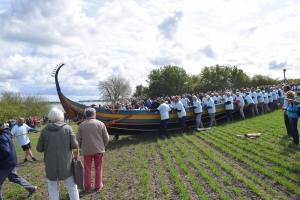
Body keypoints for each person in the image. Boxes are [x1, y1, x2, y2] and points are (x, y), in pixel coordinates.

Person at [36, 107, 79, 200]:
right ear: (61, 116)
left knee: (52, 190)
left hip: (50, 163)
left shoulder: (44, 130)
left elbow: (39, 148)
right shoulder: (67, 128)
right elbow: (75, 145)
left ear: (50, 117)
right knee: (72, 188)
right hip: (66, 163)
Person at [0, 121, 37, 200]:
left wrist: (34, 130)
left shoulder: (2, 137)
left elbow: (5, 151)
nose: (23, 122)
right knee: (14, 178)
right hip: (9, 162)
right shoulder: (6, 134)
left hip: (5, 164)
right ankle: (31, 188)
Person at [77, 108, 109, 191]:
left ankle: (88, 187)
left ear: (85, 115)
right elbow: (106, 138)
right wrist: (102, 145)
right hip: (99, 150)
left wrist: (82, 147)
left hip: (87, 151)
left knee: (87, 170)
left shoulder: (81, 125)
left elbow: (78, 139)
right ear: (94, 114)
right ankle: (98, 185)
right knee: (98, 168)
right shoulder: (101, 124)